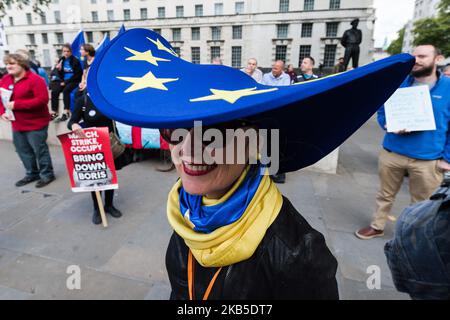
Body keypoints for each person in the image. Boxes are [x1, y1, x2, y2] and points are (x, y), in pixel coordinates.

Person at [87, 28, 415, 300]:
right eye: (177, 131)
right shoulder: (188, 215)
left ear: (254, 142)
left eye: (212, 134)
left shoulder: (296, 252)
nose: (187, 150)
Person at [356, 44, 450, 240]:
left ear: (437, 59)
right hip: (393, 152)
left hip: (427, 158)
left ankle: (413, 236)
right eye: (413, 56)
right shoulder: (399, 83)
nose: (416, 60)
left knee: (422, 203)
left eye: (423, 56)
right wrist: (388, 123)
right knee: (384, 195)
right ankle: (377, 225)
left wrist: (447, 159)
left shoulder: (448, 88)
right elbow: (382, 110)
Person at [0, 53, 55, 188]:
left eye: (12, 63)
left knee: (39, 150)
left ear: (22, 64)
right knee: (22, 150)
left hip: (36, 123)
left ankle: (47, 174)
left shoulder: (36, 80)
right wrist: (2, 113)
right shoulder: (6, 79)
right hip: (17, 123)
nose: (8, 66)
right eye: (7, 64)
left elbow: (42, 100)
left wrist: (17, 104)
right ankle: (32, 173)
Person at [67, 96, 125, 225]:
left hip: (109, 144)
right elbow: (71, 122)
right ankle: (97, 208)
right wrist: (74, 125)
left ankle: (109, 205)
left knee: (109, 176)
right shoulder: (84, 100)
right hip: (92, 146)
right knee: (95, 178)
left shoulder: (108, 98)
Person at [262, 60, 291, 183]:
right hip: (266, 111)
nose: (273, 70)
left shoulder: (286, 77)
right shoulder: (265, 76)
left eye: (276, 68)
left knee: (278, 142)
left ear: (282, 69)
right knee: (265, 141)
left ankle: (278, 173)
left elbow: (282, 93)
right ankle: (265, 171)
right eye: (273, 67)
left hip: (279, 112)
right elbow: (263, 91)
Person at [50, 44, 82, 123]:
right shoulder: (62, 60)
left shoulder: (75, 60)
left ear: (71, 52)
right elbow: (60, 74)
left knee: (66, 91)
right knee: (54, 91)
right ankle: (54, 111)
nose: (66, 53)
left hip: (74, 81)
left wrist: (66, 82)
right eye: (64, 51)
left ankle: (66, 111)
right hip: (64, 81)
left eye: (68, 51)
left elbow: (78, 75)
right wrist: (59, 69)